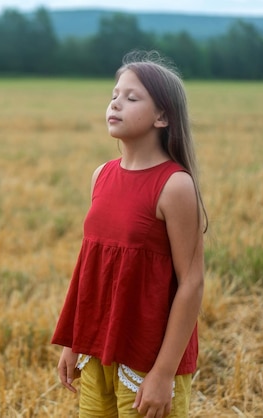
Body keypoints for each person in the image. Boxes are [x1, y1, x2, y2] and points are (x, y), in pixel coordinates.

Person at [52, 50, 207, 418]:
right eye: (114, 95)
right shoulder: (101, 175)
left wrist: (164, 373)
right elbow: (91, 268)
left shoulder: (175, 186)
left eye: (131, 97)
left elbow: (192, 283)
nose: (116, 103)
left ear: (163, 116)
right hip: (97, 351)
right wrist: (75, 341)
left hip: (147, 360)